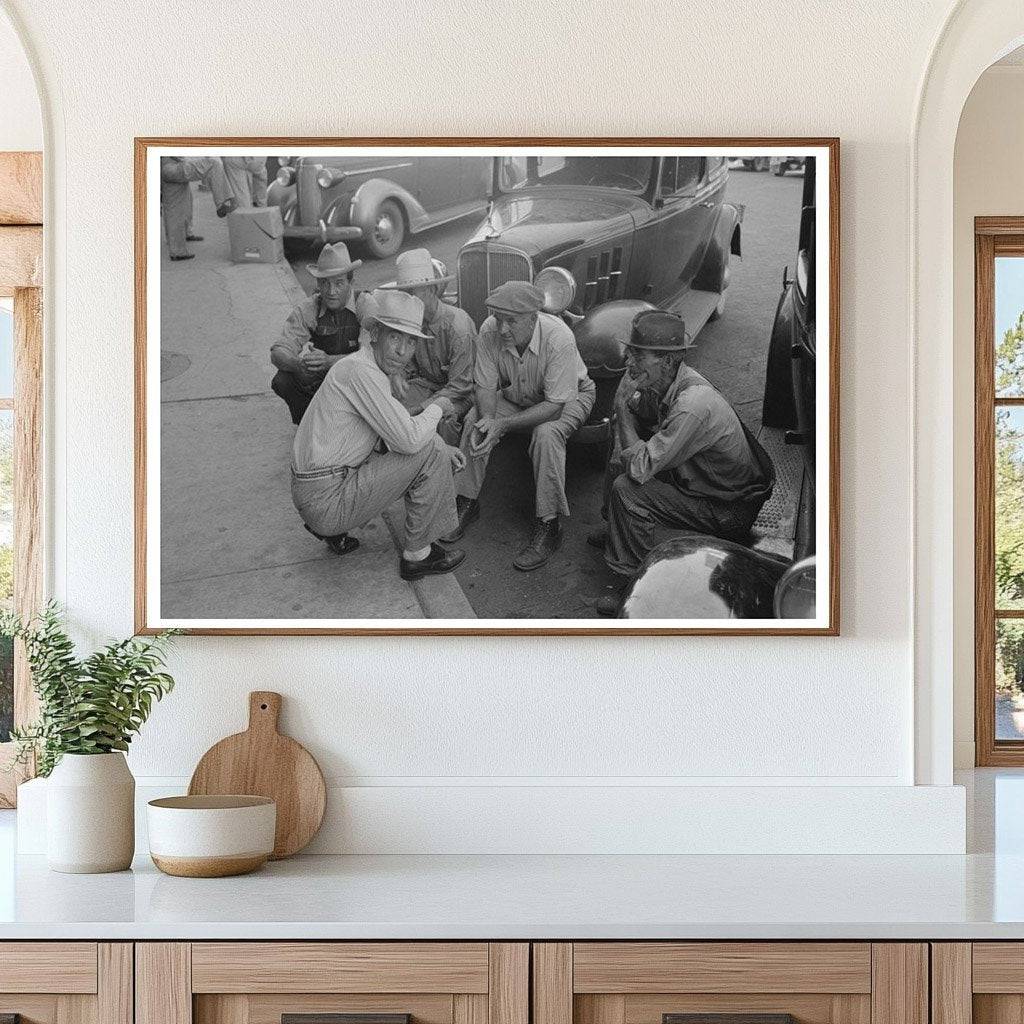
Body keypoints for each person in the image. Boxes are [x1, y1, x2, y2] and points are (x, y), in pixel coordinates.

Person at [592, 309, 776, 615]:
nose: (630, 363)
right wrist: (631, 410)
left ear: (666, 361)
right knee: (621, 449)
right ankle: (616, 527)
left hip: (729, 509)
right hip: (703, 484)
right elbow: (646, 417)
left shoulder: (692, 403)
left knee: (627, 488)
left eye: (638, 356)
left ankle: (633, 582)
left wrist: (622, 408)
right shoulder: (667, 381)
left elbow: (639, 469)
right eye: (631, 354)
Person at [290, 289, 467, 581]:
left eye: (411, 341)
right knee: (431, 447)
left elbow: (393, 432)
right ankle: (417, 556)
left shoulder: (362, 366)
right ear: (376, 335)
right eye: (395, 337)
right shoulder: (363, 372)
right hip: (325, 501)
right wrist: (439, 406)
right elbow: (409, 441)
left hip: (316, 491)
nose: (402, 350)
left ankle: (333, 532)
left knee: (426, 444)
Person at [444, 281, 596, 572]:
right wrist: (490, 421)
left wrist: (503, 424)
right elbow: (485, 387)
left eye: (511, 321)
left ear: (534, 317)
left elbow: (554, 407)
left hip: (569, 396)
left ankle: (549, 524)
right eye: (499, 318)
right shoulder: (490, 329)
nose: (502, 329)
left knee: (546, 434)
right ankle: (466, 499)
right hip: (519, 395)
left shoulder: (559, 337)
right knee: (477, 419)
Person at [380, 248, 475, 445]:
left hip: (461, 394)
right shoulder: (412, 318)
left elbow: (460, 387)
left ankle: (450, 467)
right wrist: (396, 374)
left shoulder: (458, 327)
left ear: (432, 290)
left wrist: (419, 409)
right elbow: (405, 364)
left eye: (412, 292)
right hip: (428, 385)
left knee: (443, 419)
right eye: (403, 293)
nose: (407, 299)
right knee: (388, 406)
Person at [270, 243, 364, 426]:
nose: (331, 292)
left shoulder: (365, 304)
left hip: (355, 381)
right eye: (324, 283)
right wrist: (298, 364)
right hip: (324, 381)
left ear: (350, 283)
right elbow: (278, 351)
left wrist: (330, 361)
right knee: (283, 380)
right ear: (318, 284)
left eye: (339, 283)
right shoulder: (309, 308)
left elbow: (372, 357)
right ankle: (309, 424)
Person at [160, 156, 237, 261]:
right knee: (213, 163)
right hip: (174, 165)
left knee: (176, 206)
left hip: (165, 168)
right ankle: (221, 203)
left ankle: (177, 249)